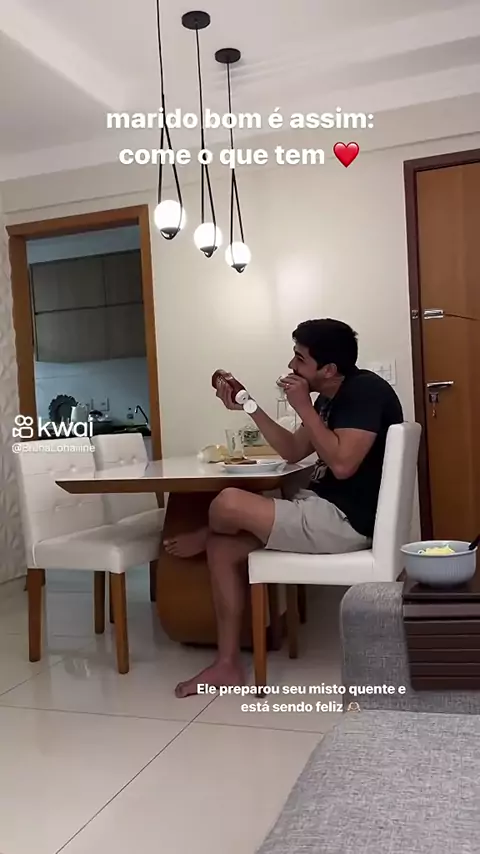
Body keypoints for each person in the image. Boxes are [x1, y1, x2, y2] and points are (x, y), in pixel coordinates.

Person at [165, 318, 403, 697]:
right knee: (222, 547)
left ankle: (205, 532)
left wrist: (303, 407)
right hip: (319, 509)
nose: (291, 366)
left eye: (300, 359)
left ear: (328, 369)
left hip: (345, 521)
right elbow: (292, 450)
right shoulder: (329, 397)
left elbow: (343, 464)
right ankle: (227, 664)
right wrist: (248, 405)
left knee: (226, 503)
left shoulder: (365, 393)